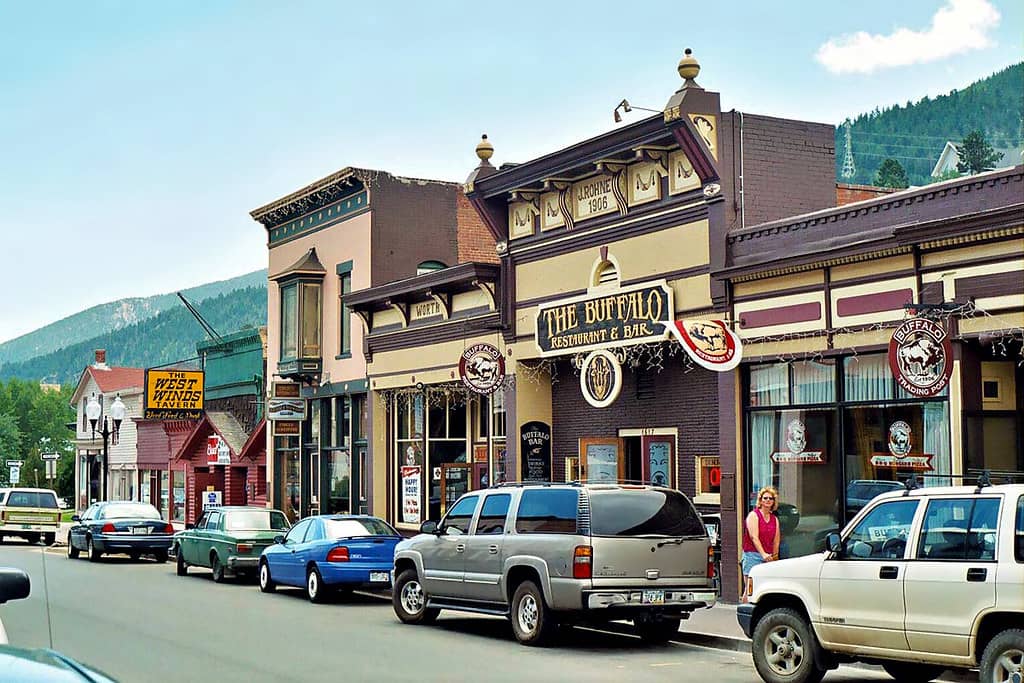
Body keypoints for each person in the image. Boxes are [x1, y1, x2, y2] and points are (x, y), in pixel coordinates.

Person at [742, 486, 781, 602]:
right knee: (750, 590)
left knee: (765, 590)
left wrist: (775, 557)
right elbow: (754, 537)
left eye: (771, 498)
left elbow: (776, 540)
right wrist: (763, 554)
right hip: (752, 556)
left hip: (769, 558)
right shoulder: (753, 516)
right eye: (765, 498)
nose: (768, 500)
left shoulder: (774, 519)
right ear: (760, 500)